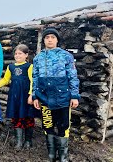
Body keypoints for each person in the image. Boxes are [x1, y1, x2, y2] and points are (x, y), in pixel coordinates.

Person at [32, 27, 80, 162]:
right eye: (47, 37)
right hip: (45, 98)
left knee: (63, 126)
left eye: (53, 37)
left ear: (57, 40)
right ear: (44, 40)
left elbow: (72, 76)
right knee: (48, 125)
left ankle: (63, 156)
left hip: (63, 98)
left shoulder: (66, 56)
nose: (50, 40)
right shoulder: (38, 58)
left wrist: (75, 95)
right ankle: (51, 154)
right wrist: (35, 96)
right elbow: (35, 77)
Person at [0, 44, 39, 150]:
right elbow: (6, 80)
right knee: (16, 117)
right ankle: (19, 142)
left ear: (26, 55)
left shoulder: (29, 66)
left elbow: (33, 81)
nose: (17, 55)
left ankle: (28, 141)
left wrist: (31, 95)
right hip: (15, 97)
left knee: (28, 117)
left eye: (20, 53)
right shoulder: (10, 67)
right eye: (16, 53)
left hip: (26, 97)